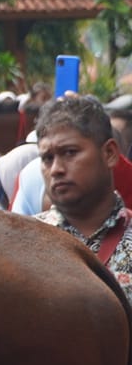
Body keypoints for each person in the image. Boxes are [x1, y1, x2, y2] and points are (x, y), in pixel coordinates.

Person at [33, 95, 132, 294]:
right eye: (47, 158)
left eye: (69, 152)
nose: (55, 169)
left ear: (110, 154)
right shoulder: (23, 242)